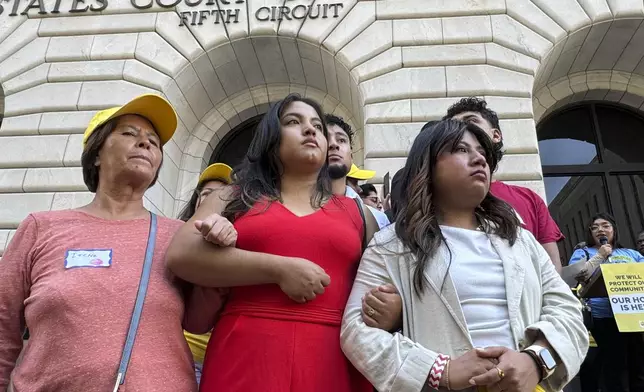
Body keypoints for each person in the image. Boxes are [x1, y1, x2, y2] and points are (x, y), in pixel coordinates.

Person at [341, 120, 588, 392]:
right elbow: (356, 332)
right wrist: (439, 371)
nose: (479, 158)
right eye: (461, 149)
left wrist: (536, 361)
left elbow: (568, 311)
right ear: (427, 166)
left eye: (482, 151)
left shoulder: (520, 240)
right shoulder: (391, 246)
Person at [166, 94, 389, 392]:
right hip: (244, 355)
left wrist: (391, 307)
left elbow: (383, 281)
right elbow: (180, 255)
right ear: (270, 139)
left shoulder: (360, 213)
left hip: (337, 357)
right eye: (293, 122)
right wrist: (277, 269)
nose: (311, 131)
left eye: (317, 126)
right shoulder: (232, 196)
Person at [0, 94, 197, 391]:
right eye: (129, 133)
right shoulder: (41, 227)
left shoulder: (180, 236)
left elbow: (206, 318)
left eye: (154, 141)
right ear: (96, 154)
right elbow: (3, 327)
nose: (145, 143)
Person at [445, 98, 564, 273]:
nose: (463, 129)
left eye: (471, 121)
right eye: (454, 125)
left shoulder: (529, 199)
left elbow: (552, 268)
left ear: (496, 135)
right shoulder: (440, 198)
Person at [571, 213, 644, 392]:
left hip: (633, 317)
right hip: (602, 318)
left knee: (639, 366)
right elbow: (578, 276)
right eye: (594, 227)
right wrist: (600, 256)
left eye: (605, 226)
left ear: (614, 230)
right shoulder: (583, 252)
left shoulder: (631, 254)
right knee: (615, 367)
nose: (600, 230)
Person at [177, 162, 234, 386]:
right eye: (207, 194)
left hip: (217, 360)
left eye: (222, 195)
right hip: (178, 355)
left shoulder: (240, 241)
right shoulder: (176, 236)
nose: (213, 199)